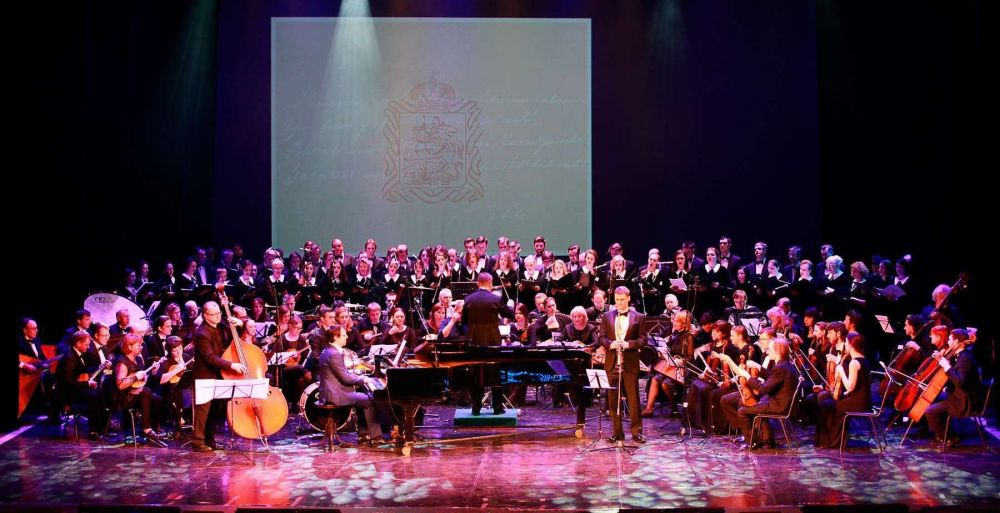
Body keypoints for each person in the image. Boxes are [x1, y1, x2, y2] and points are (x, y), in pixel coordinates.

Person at [190, 301, 246, 452]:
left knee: (216, 409)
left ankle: (210, 439)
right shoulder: (202, 333)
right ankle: (197, 441)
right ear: (205, 315)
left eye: (218, 313)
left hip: (219, 374)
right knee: (203, 410)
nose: (217, 316)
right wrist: (231, 365)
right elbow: (210, 357)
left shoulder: (221, 326)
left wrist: (240, 324)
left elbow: (235, 337)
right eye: (213, 314)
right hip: (205, 376)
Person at [316, 324, 383, 446]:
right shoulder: (334, 353)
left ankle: (363, 435)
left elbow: (342, 373)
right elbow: (345, 378)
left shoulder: (329, 350)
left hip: (331, 392)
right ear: (335, 337)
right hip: (335, 395)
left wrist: (357, 376)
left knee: (362, 398)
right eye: (343, 335)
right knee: (368, 401)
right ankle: (376, 437)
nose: (347, 337)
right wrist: (364, 379)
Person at [730, 339, 800, 450]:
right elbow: (773, 378)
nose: (767, 351)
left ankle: (752, 442)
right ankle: (766, 439)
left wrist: (747, 377)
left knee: (742, 411)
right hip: (780, 401)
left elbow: (762, 389)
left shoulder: (780, 367)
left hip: (779, 405)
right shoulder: (785, 364)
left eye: (770, 349)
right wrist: (759, 368)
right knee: (751, 403)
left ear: (778, 351)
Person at [598, 286, 647, 444]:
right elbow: (601, 338)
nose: (619, 303)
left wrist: (629, 344)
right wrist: (610, 344)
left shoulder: (639, 317)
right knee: (613, 400)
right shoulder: (607, 316)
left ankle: (636, 432)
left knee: (633, 399)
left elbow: (643, 340)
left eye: (622, 300)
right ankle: (617, 432)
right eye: (617, 300)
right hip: (612, 362)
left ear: (628, 298)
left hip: (630, 362)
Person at [462, 273, 516, 415]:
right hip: (492, 343)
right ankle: (497, 408)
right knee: (495, 374)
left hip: (474, 343)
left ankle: (475, 408)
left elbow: (464, 322)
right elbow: (510, 315)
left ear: (477, 283)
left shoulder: (468, 299)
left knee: (476, 375)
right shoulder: (495, 299)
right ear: (490, 283)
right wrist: (510, 305)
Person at [815, 332, 871, 448]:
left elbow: (850, 387)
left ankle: (831, 442)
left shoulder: (854, 363)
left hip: (859, 402)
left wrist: (841, 371)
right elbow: (857, 387)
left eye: (846, 342)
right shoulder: (863, 359)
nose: (845, 344)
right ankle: (832, 441)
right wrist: (842, 395)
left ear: (851, 345)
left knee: (826, 406)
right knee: (827, 402)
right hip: (862, 399)